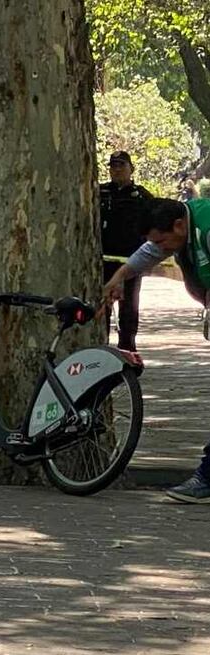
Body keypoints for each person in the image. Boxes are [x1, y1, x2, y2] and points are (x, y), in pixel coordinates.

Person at [103, 196, 210, 503]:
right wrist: (119, 276)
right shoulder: (182, 227)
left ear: (178, 225)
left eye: (162, 241)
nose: (160, 249)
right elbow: (149, 252)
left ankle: (207, 478)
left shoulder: (206, 227)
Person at [100, 150, 153, 351]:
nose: (117, 170)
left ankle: (128, 349)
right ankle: (101, 349)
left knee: (129, 309)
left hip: (131, 260)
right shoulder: (101, 192)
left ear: (131, 168)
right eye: (113, 166)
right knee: (102, 307)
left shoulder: (141, 196)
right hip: (103, 261)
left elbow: (153, 224)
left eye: (121, 165)